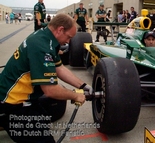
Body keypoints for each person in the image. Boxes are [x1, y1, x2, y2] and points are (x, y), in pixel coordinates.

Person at [0, 13, 92, 143]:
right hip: (11, 104)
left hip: (22, 96)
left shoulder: (45, 38)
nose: (69, 42)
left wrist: (83, 86)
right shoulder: (41, 47)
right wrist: (75, 96)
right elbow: (50, 90)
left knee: (43, 119)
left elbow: (59, 68)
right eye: (69, 37)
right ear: (60, 29)